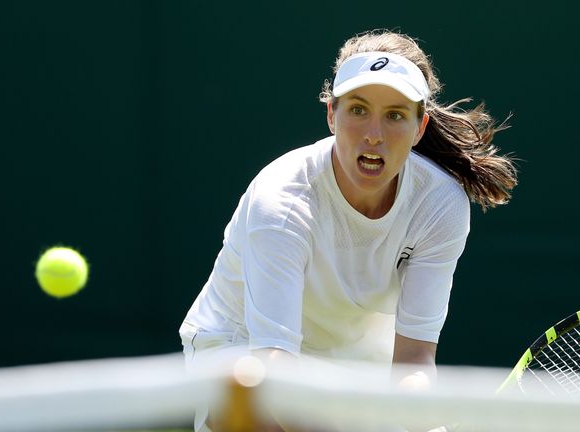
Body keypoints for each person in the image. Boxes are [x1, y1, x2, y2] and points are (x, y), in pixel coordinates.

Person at [179, 29, 517, 431]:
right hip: (244, 351)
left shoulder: (439, 204)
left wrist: (417, 418)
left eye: (394, 115)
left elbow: (413, 360)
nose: (374, 134)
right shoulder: (282, 202)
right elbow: (274, 370)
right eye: (358, 110)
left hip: (352, 353)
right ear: (331, 115)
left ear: (420, 127)